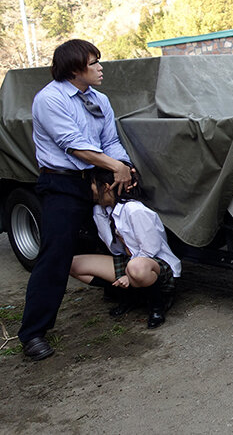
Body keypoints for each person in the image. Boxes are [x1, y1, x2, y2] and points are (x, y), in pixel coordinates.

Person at [18, 39, 134, 361]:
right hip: (61, 182)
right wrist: (115, 167)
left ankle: (124, 294)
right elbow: (74, 144)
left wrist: (125, 168)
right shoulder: (50, 99)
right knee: (55, 254)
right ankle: (33, 333)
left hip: (94, 178)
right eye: (93, 63)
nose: (100, 68)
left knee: (115, 239)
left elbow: (110, 140)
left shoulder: (99, 99)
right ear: (73, 70)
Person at [70, 168, 180, 329]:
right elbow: (114, 249)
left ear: (106, 186)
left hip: (155, 263)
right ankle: (134, 296)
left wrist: (128, 275)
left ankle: (158, 306)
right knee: (73, 264)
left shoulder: (134, 209)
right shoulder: (100, 211)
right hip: (130, 260)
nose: (89, 189)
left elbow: (151, 249)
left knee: (136, 267)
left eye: (92, 184)